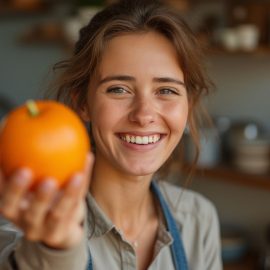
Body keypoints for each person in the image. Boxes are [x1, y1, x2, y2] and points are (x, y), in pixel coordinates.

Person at [0, 0, 222, 269]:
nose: (143, 115)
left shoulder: (199, 219)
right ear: (83, 103)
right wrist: (56, 250)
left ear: (188, 104)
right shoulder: (31, 232)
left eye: (166, 90)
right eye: (118, 89)